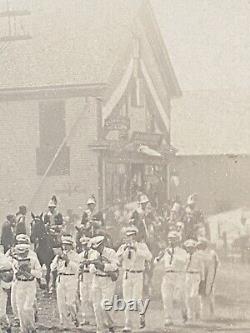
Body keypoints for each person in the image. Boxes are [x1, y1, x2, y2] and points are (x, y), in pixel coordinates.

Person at [117, 226, 152, 332]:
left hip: (138, 275)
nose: (130, 238)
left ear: (136, 236)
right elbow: (117, 260)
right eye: (128, 236)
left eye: (132, 235)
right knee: (127, 300)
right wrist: (123, 251)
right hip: (127, 274)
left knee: (136, 299)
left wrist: (136, 250)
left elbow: (149, 257)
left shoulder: (142, 246)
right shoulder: (123, 247)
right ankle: (128, 323)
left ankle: (141, 315)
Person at [154, 231, 188, 328]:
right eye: (169, 239)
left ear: (178, 240)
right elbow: (156, 263)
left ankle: (184, 311)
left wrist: (173, 255)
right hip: (167, 275)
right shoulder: (165, 251)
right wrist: (158, 257)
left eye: (173, 239)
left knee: (179, 297)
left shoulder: (182, 251)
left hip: (178, 275)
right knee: (166, 297)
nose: (171, 241)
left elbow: (183, 261)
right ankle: (168, 318)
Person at [89, 235, 119, 333]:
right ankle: (100, 329)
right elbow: (91, 269)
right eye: (95, 248)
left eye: (99, 247)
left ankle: (110, 324)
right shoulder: (93, 254)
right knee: (96, 306)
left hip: (108, 280)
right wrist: (96, 266)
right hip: (96, 279)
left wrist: (103, 266)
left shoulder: (111, 252)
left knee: (105, 305)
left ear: (102, 244)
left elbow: (115, 266)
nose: (97, 249)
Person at [6, 234, 37, 328]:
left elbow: (36, 270)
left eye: (23, 242)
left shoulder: (32, 254)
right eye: (19, 242)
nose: (20, 244)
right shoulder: (12, 252)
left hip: (29, 281)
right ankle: (18, 319)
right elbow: (7, 262)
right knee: (14, 300)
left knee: (29, 303)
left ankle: (31, 319)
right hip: (17, 280)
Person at [50, 234, 80, 328]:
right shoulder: (59, 256)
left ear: (71, 245)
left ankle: (74, 317)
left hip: (71, 278)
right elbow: (52, 268)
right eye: (63, 244)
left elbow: (77, 269)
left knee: (70, 302)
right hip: (61, 278)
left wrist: (68, 261)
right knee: (61, 302)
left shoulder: (75, 255)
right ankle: (64, 323)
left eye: (67, 244)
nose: (65, 246)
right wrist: (57, 259)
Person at [12, 241, 42, 333]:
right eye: (20, 253)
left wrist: (29, 270)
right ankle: (23, 329)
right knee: (20, 309)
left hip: (30, 284)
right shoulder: (15, 261)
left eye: (23, 253)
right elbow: (13, 273)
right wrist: (17, 272)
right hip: (19, 284)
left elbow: (39, 274)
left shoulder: (33, 260)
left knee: (27, 307)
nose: (22, 255)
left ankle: (32, 328)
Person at [197, 237, 219, 320]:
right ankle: (201, 314)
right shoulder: (198, 253)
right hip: (200, 276)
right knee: (200, 295)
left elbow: (216, 264)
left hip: (209, 275)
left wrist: (212, 276)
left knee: (209, 294)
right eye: (199, 245)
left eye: (202, 245)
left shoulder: (212, 253)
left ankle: (211, 313)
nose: (200, 247)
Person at [184, 239, 205, 323]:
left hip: (196, 276)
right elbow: (183, 267)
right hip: (188, 275)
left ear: (195, 248)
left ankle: (198, 312)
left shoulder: (198, 256)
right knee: (188, 296)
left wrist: (203, 280)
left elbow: (202, 268)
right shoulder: (186, 256)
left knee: (194, 295)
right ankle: (190, 315)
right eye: (188, 248)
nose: (190, 249)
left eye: (192, 248)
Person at [78, 235, 96, 326]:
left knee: (92, 298)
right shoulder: (80, 255)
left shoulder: (94, 253)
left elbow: (93, 261)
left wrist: (87, 261)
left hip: (91, 275)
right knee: (83, 298)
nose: (84, 247)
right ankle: (85, 318)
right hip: (83, 276)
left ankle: (95, 318)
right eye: (83, 245)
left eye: (86, 245)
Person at [0, 253, 13, 333]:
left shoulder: (1, 257)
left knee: (1, 314)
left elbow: (8, 271)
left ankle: (7, 325)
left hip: (1, 288)